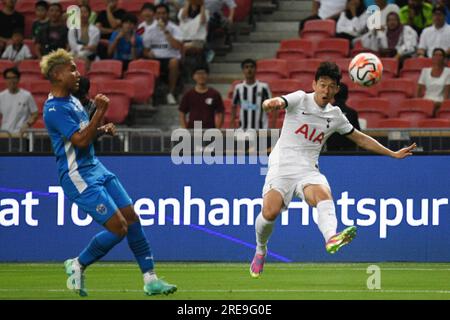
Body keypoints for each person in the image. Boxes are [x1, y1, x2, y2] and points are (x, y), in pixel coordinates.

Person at [249, 62, 417, 278]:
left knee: (322, 194)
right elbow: (280, 101)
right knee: (269, 212)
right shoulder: (300, 98)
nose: (325, 91)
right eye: (322, 85)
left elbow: (360, 138)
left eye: (331, 86)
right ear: (314, 84)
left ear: (337, 89)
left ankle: (331, 237)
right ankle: (261, 249)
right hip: (281, 166)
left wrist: (392, 153)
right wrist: (271, 103)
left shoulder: (336, 115)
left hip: (308, 169)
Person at [40, 48, 177, 296]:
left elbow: (84, 135)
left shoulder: (71, 100)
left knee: (132, 218)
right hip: (78, 176)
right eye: (72, 69)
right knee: (119, 228)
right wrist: (100, 113)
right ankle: (78, 264)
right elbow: (80, 141)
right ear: (58, 75)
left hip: (96, 167)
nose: (77, 73)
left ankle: (151, 279)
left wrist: (100, 130)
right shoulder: (54, 110)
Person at [143, 4, 183, 105]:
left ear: (168, 14)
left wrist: (166, 31)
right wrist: (148, 54)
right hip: (155, 58)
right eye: (159, 13)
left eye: (164, 13)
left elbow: (178, 46)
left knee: (174, 62)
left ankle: (171, 93)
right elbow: (145, 50)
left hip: (170, 57)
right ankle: (148, 95)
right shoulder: (149, 29)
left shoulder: (175, 28)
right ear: (155, 15)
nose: (161, 16)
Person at [231, 58, 275, 129]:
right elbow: (233, 106)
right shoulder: (238, 88)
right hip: (243, 130)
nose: (249, 69)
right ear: (243, 70)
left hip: (261, 130)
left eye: (252, 67)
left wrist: (273, 126)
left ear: (256, 69)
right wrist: (232, 125)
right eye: (246, 67)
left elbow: (274, 107)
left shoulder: (264, 87)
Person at [179, 64, 224, 128]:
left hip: (210, 130)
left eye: (203, 73)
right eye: (198, 73)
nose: (201, 76)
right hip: (193, 130)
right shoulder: (188, 94)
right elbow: (182, 113)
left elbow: (220, 113)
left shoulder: (214, 94)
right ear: (193, 76)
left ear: (207, 75)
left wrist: (217, 130)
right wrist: (185, 129)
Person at [0, 67, 38, 135]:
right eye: (8, 78)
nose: (11, 80)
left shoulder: (27, 95)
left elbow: (35, 114)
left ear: (18, 79)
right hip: (5, 134)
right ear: (5, 80)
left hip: (21, 135)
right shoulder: (1, 96)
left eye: (14, 77)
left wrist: (27, 125)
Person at [325, 83, 361, 151]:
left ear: (333, 95)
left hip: (330, 154)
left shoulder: (326, 112)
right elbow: (358, 135)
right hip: (350, 155)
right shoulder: (352, 113)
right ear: (347, 96)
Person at [417, 47, 450, 115]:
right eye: (435, 55)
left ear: (444, 58)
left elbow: (446, 96)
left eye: (440, 55)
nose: (437, 57)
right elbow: (419, 91)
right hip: (426, 101)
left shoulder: (448, 72)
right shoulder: (425, 71)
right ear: (432, 57)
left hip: (440, 102)